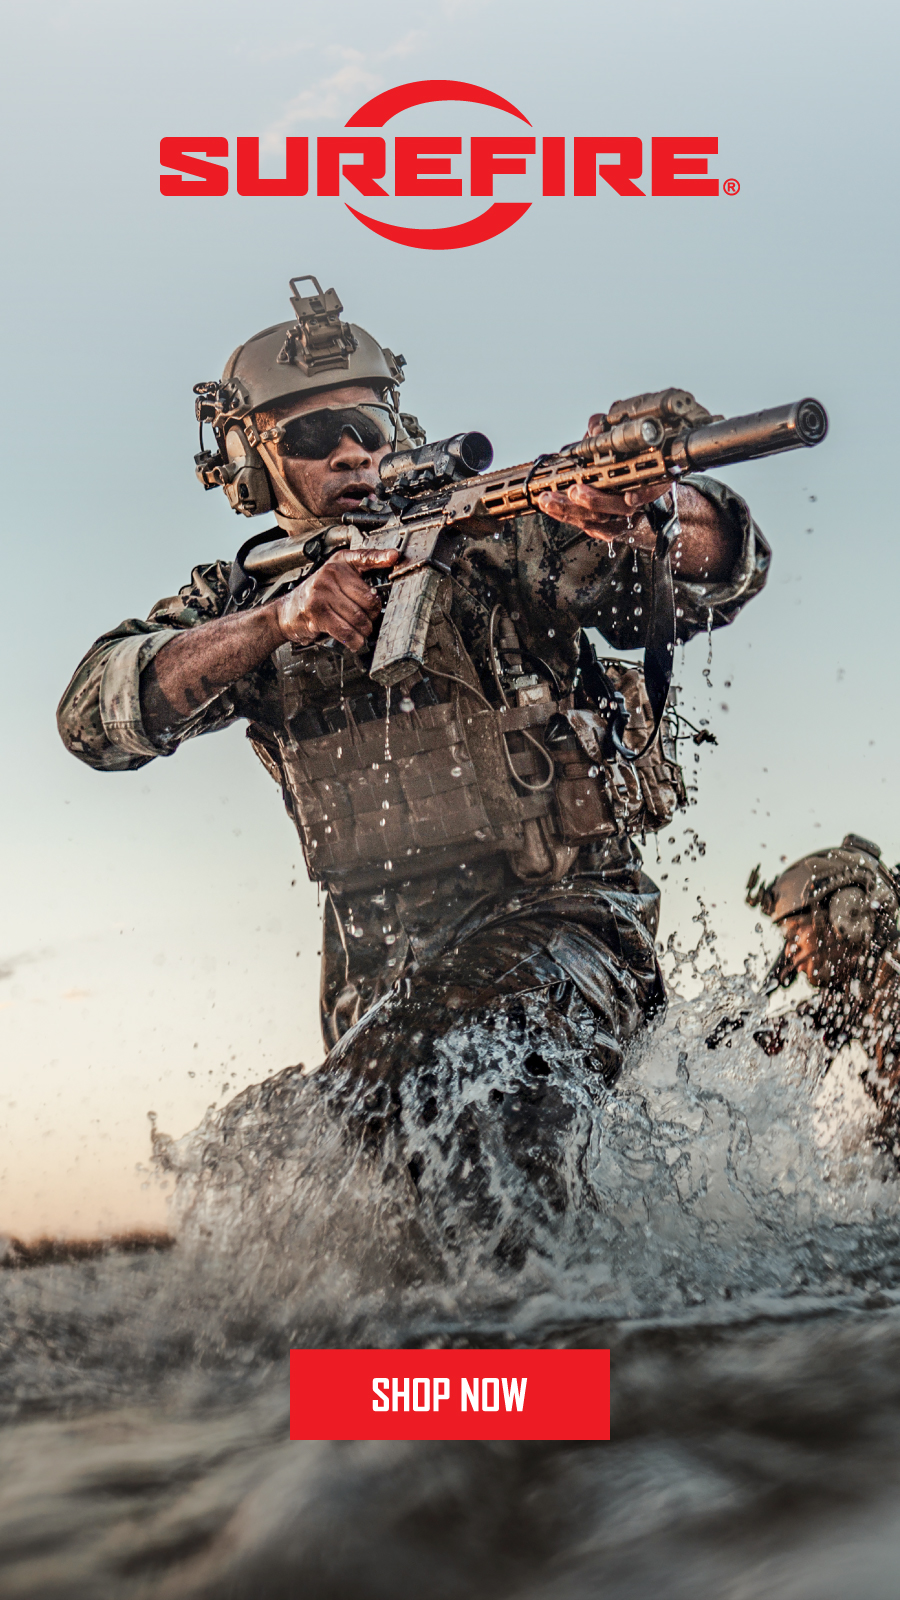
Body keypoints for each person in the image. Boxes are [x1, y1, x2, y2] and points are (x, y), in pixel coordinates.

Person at [58, 275, 769, 1250]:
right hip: (377, 982)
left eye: (366, 423)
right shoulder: (242, 598)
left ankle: (576, 1356)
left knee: (475, 1096)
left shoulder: (496, 537)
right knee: (330, 1183)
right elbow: (98, 715)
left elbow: (716, 562)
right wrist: (278, 620)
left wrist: (652, 513)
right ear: (253, 468)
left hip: (565, 926)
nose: (350, 449)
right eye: (311, 438)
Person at [747, 835, 900, 1140]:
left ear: (846, 914)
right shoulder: (863, 986)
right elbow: (814, 1024)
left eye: (794, 934)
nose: (790, 954)